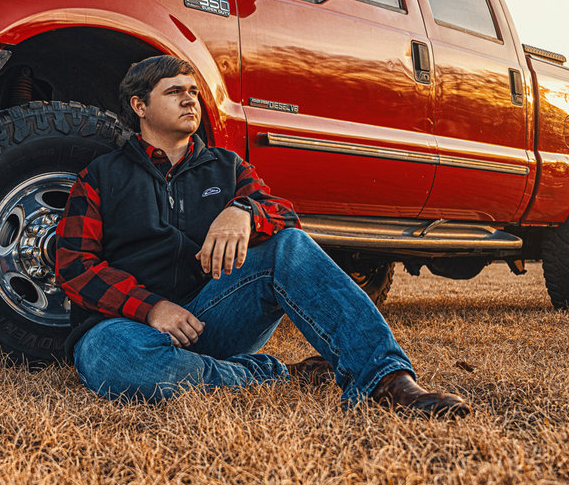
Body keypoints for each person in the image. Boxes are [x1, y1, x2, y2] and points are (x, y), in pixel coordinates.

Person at [54, 56, 471, 417]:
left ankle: (387, 380)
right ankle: (268, 374)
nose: (189, 100)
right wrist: (151, 309)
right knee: (116, 360)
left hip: (213, 317)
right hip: (132, 330)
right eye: (174, 91)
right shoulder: (101, 176)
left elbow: (285, 216)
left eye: (194, 92)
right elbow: (74, 267)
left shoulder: (227, 166)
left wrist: (244, 212)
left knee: (288, 246)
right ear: (139, 105)